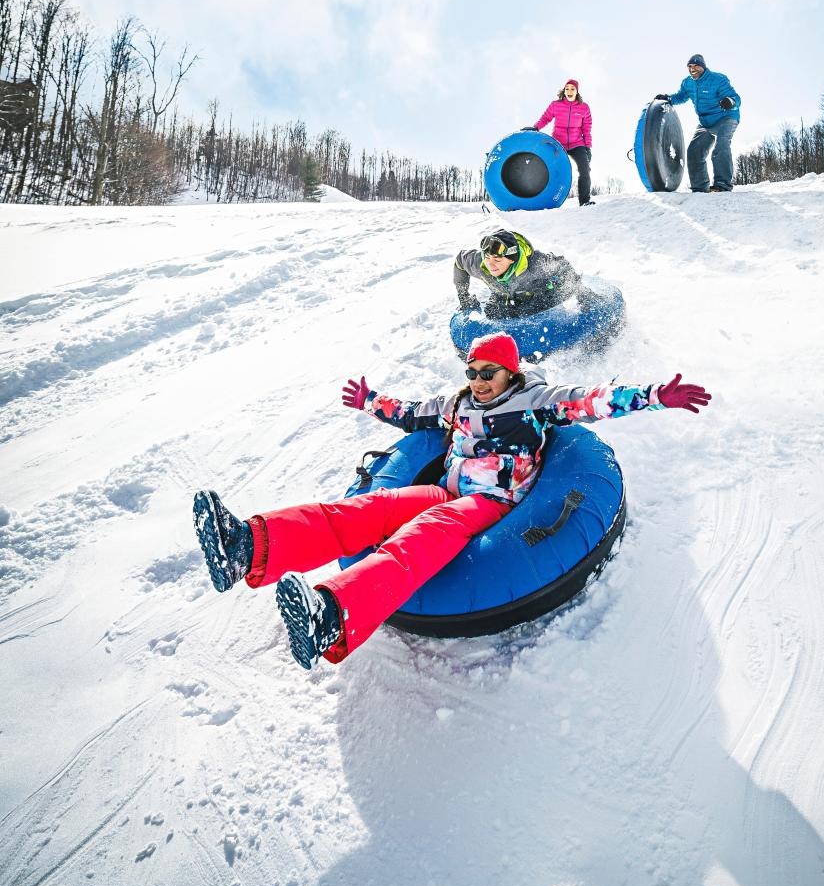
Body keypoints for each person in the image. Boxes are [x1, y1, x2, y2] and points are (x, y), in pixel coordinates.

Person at [193, 331, 711, 671]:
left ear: (510, 372)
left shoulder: (536, 403)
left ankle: (332, 614)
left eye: (488, 372)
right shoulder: (457, 404)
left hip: (494, 503)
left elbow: (595, 400)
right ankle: (246, 545)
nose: (478, 381)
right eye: (472, 371)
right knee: (366, 511)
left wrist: (656, 396)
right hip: (447, 487)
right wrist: (371, 400)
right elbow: (411, 413)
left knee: (428, 532)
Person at [454, 229, 601, 317]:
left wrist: (582, 294)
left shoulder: (537, 264)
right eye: (487, 258)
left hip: (540, 294)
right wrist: (463, 296)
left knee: (529, 310)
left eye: (497, 260)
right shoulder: (480, 263)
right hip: (504, 295)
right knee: (494, 313)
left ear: (512, 259)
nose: (490, 264)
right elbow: (460, 261)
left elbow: (563, 266)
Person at [655, 54, 741, 193]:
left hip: (725, 117)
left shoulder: (718, 79)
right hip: (705, 122)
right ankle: (700, 188)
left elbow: (736, 98)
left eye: (696, 66)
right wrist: (668, 98)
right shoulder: (687, 83)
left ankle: (722, 185)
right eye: (690, 66)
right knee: (694, 151)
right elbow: (681, 97)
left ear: (703, 66)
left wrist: (730, 102)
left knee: (722, 145)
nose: (692, 69)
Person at [523, 78, 594, 206]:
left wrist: (588, 147)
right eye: (567, 89)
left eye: (572, 89)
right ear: (564, 91)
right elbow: (546, 118)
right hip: (558, 143)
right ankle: (544, 199)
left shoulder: (584, 108)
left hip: (577, 143)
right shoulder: (556, 105)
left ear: (577, 91)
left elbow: (587, 129)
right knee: (549, 167)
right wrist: (536, 127)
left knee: (585, 169)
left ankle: (584, 201)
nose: (569, 91)